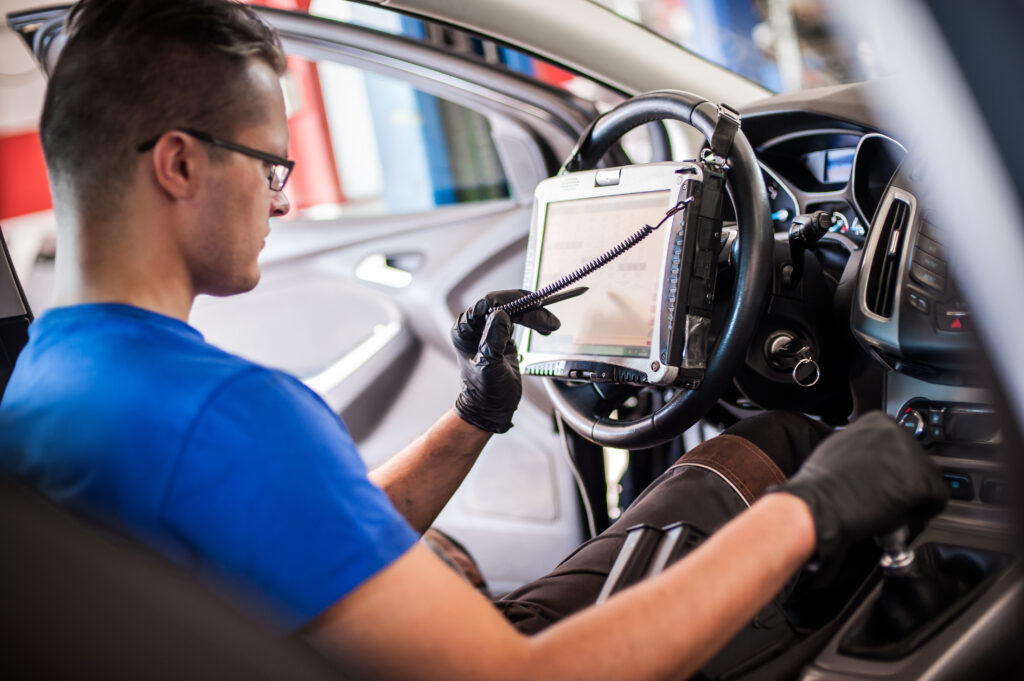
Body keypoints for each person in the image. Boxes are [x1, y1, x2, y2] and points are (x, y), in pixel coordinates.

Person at [0, 1, 948, 679]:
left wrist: (474, 414)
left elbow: (293, 535)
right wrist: (812, 511)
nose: (282, 201)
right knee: (782, 454)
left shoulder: (48, 379)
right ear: (179, 163)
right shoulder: (220, 416)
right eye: (271, 166)